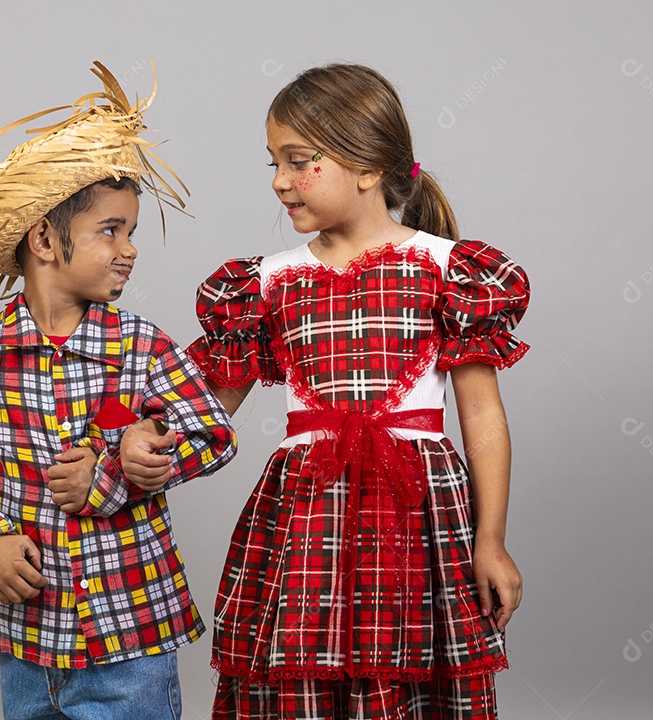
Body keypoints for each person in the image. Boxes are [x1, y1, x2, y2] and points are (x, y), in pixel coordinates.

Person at [0, 63, 237, 720]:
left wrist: (137, 463)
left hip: (130, 637)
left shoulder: (142, 345)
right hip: (27, 639)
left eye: (131, 232)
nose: (129, 249)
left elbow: (212, 434)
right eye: (111, 230)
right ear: (46, 238)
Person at [187, 63, 530, 719]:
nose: (279, 181)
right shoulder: (266, 283)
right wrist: (133, 441)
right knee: (301, 667)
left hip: (418, 514)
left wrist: (490, 540)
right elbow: (205, 411)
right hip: (306, 516)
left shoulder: (448, 271)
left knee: (412, 666)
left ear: (368, 168)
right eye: (274, 164)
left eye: (298, 162)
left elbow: (483, 417)